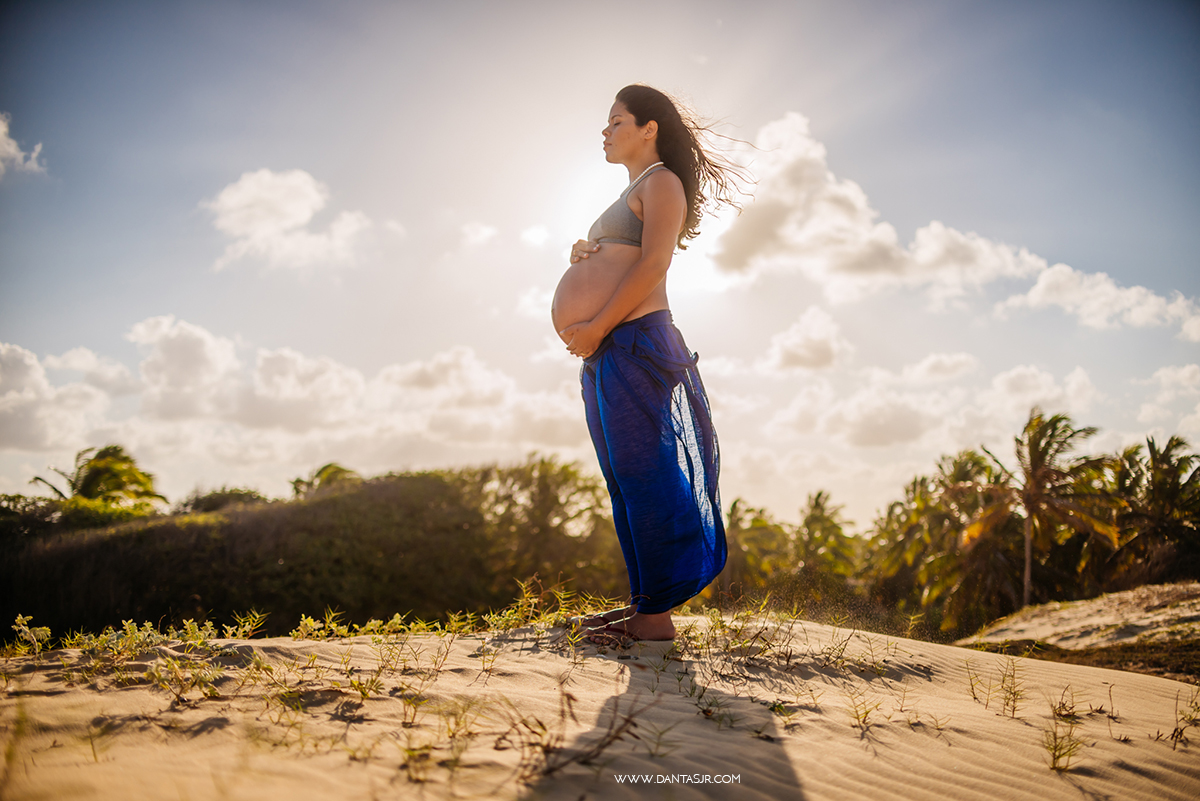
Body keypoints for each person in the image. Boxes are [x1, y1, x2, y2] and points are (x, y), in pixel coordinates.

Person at [551, 84, 740, 644]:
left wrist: (596, 325)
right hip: (612, 346)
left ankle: (655, 620)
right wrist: (585, 251)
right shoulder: (635, 189)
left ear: (648, 127)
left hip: (634, 340)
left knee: (647, 474)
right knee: (624, 479)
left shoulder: (663, 182)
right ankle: (645, 604)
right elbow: (625, 254)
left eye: (615, 121)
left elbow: (655, 263)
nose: (605, 132)